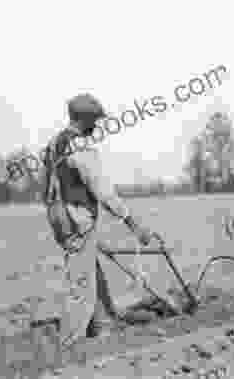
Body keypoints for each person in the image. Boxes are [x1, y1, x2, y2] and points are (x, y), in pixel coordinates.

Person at [41, 93, 183, 347]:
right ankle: (70, 344)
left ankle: (100, 324)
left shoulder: (54, 145)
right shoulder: (81, 146)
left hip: (60, 219)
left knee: (91, 273)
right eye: (95, 120)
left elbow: (50, 185)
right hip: (78, 221)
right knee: (81, 286)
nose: (97, 125)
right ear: (86, 120)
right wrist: (133, 223)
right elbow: (103, 192)